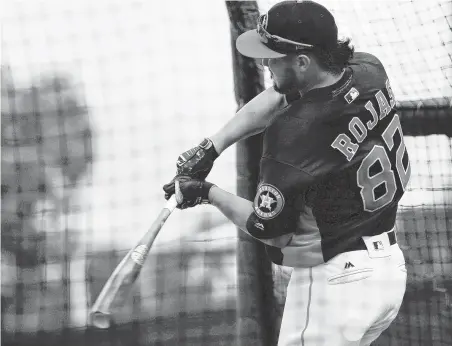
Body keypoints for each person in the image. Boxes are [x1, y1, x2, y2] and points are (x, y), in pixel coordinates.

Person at [163, 1, 410, 345]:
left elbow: (271, 231)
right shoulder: (368, 69)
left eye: (272, 56)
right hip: (388, 273)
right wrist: (212, 146)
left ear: (303, 62)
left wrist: (207, 193)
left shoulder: (294, 136)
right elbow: (282, 96)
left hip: (336, 284)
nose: (264, 63)